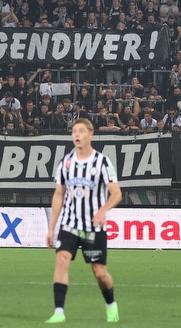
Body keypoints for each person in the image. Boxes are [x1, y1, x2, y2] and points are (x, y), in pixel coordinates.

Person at [45, 118, 122, 324]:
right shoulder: (66, 163)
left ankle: (110, 304)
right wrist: (52, 228)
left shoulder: (102, 162)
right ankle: (59, 312)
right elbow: (59, 195)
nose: (76, 135)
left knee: (99, 273)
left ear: (91, 134)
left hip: (93, 228)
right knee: (61, 259)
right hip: (69, 225)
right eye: (73, 131)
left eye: (80, 131)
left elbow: (116, 193)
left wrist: (103, 210)